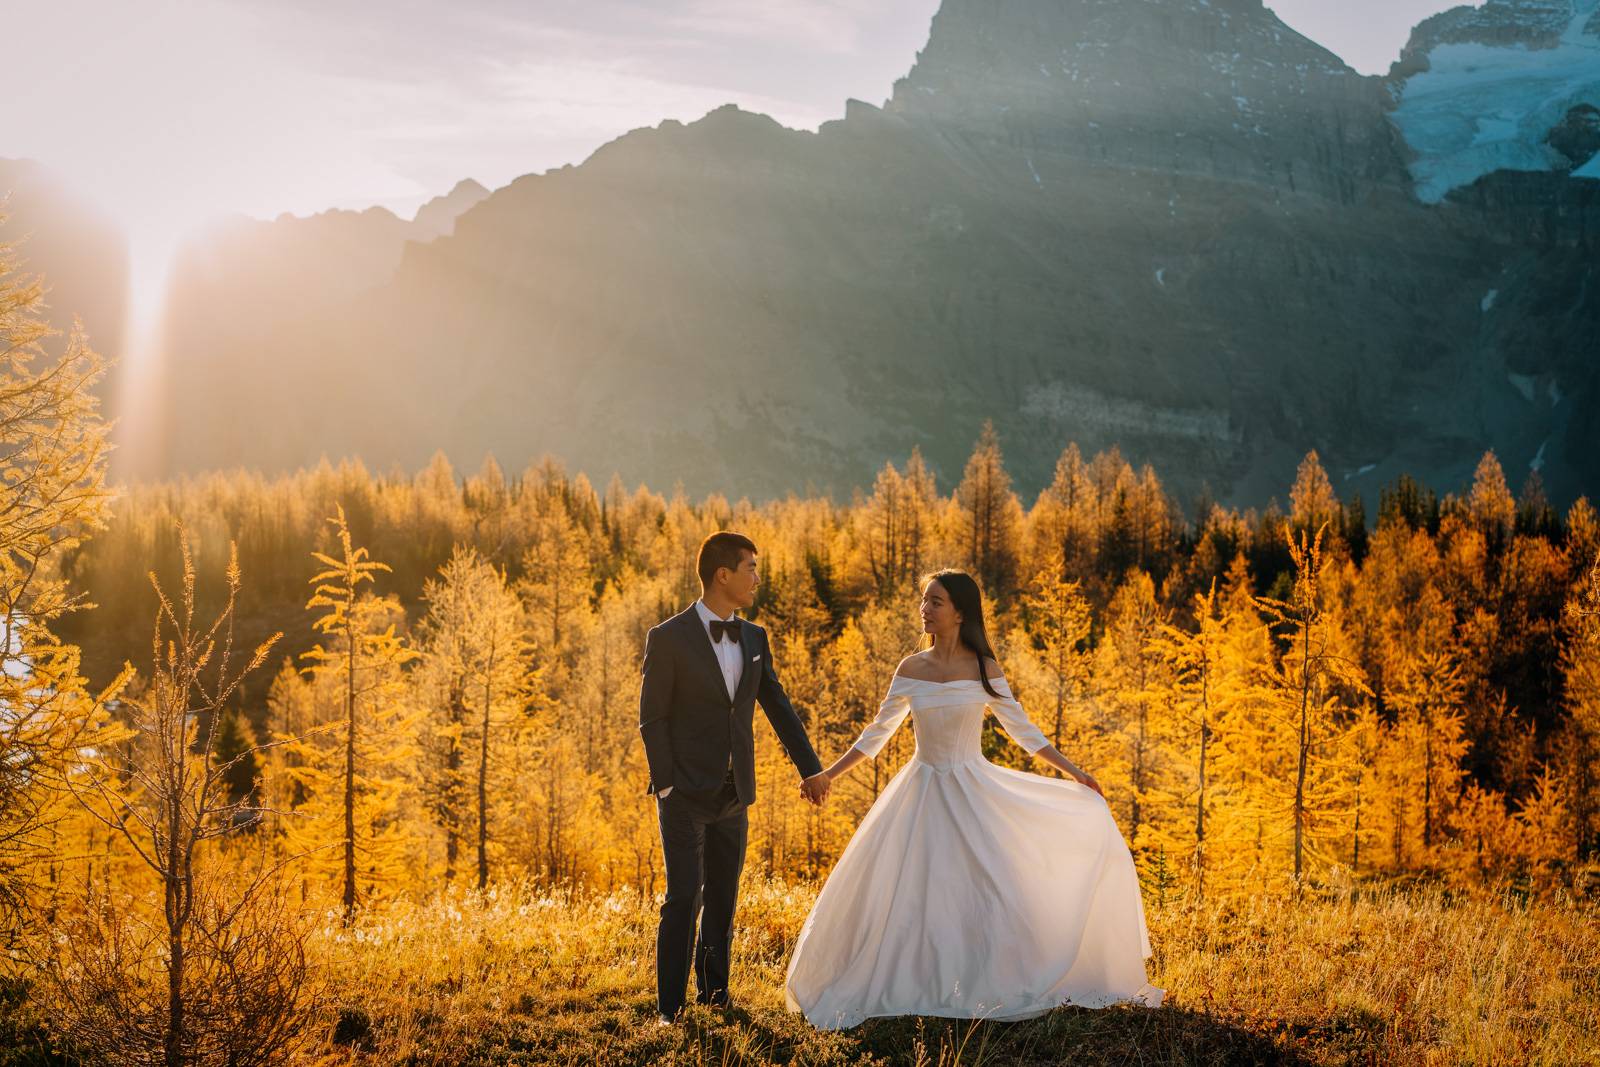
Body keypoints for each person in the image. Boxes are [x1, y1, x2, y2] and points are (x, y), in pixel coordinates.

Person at [784, 568, 1164, 1029]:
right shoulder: (910, 668)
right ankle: (910, 975)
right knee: (907, 888)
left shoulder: (984, 668)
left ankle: (994, 975)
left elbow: (1023, 732)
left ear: (961, 611)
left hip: (972, 786)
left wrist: (1075, 773)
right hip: (920, 790)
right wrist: (828, 773)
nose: (925, 609)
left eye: (936, 602)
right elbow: (875, 735)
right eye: (923, 601)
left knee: (991, 887)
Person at [638, 530, 833, 1024]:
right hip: (682, 794)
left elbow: (777, 705)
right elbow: (652, 718)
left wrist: (811, 768)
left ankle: (715, 993)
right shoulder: (668, 638)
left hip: (734, 792)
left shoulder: (754, 638)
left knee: (724, 899)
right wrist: (665, 785)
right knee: (685, 898)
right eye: (751, 568)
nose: (757, 579)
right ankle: (670, 1009)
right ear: (722, 575)